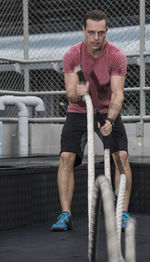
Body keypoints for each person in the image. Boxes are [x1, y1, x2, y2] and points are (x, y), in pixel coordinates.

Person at [51, 9, 132, 232]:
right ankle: (65, 214)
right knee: (66, 157)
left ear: (106, 32)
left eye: (101, 33)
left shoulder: (116, 55)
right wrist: (78, 92)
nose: (96, 38)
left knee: (122, 157)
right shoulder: (72, 55)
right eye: (91, 33)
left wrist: (111, 120)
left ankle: (122, 213)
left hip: (107, 110)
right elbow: (69, 94)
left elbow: (118, 94)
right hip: (79, 110)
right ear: (83, 31)